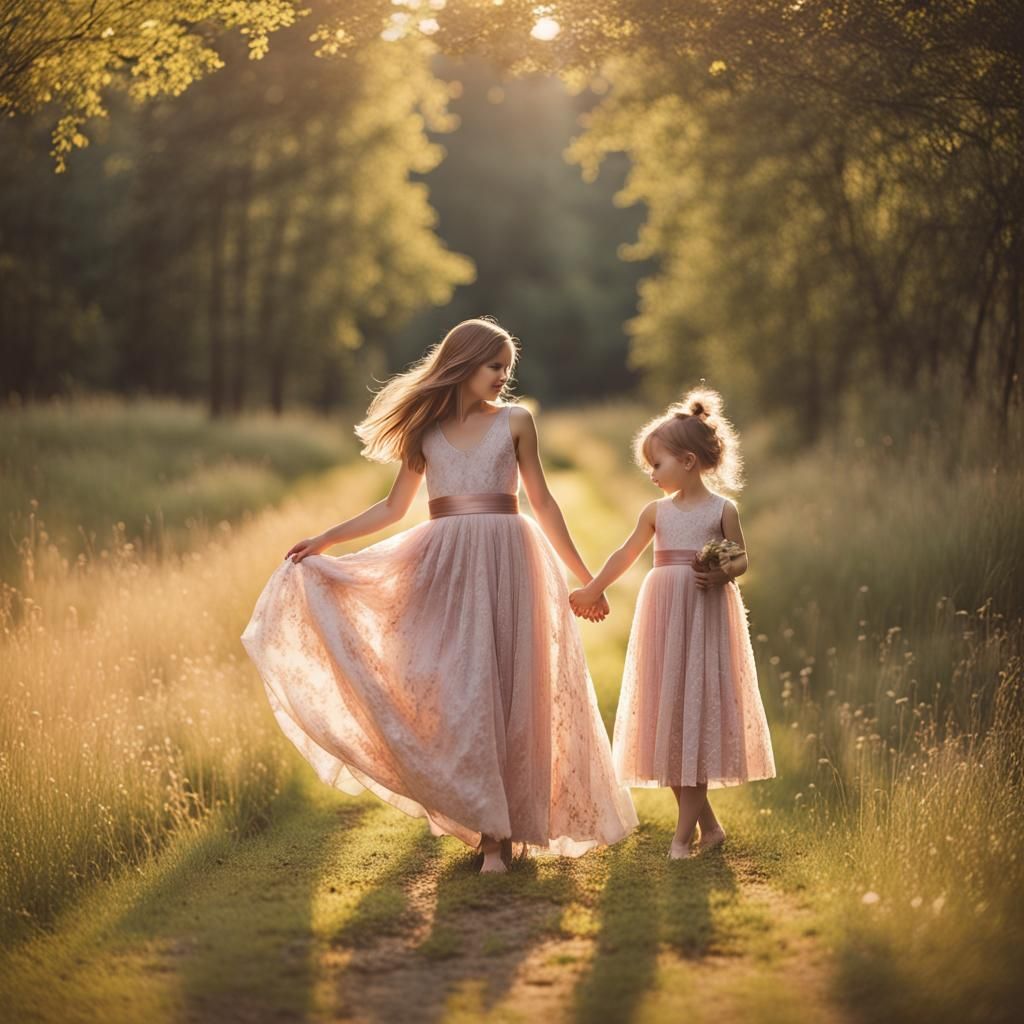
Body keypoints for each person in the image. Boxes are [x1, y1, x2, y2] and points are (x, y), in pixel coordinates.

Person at [241, 317, 637, 873]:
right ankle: (487, 828)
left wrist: (586, 578)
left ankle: (505, 832)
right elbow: (393, 508)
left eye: (507, 368)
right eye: (493, 365)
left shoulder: (517, 422)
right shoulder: (425, 433)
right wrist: (328, 538)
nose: (503, 376)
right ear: (464, 362)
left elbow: (543, 504)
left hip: (510, 556)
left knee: (508, 688)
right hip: (445, 564)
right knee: (460, 688)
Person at [570, 386, 775, 859]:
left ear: (686, 461)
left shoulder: (723, 509)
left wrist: (723, 571)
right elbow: (625, 554)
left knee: (696, 711)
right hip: (663, 614)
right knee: (667, 713)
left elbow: (742, 559)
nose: (650, 473)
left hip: (704, 616)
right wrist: (594, 587)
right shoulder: (655, 513)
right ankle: (711, 829)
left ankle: (682, 839)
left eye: (656, 464)